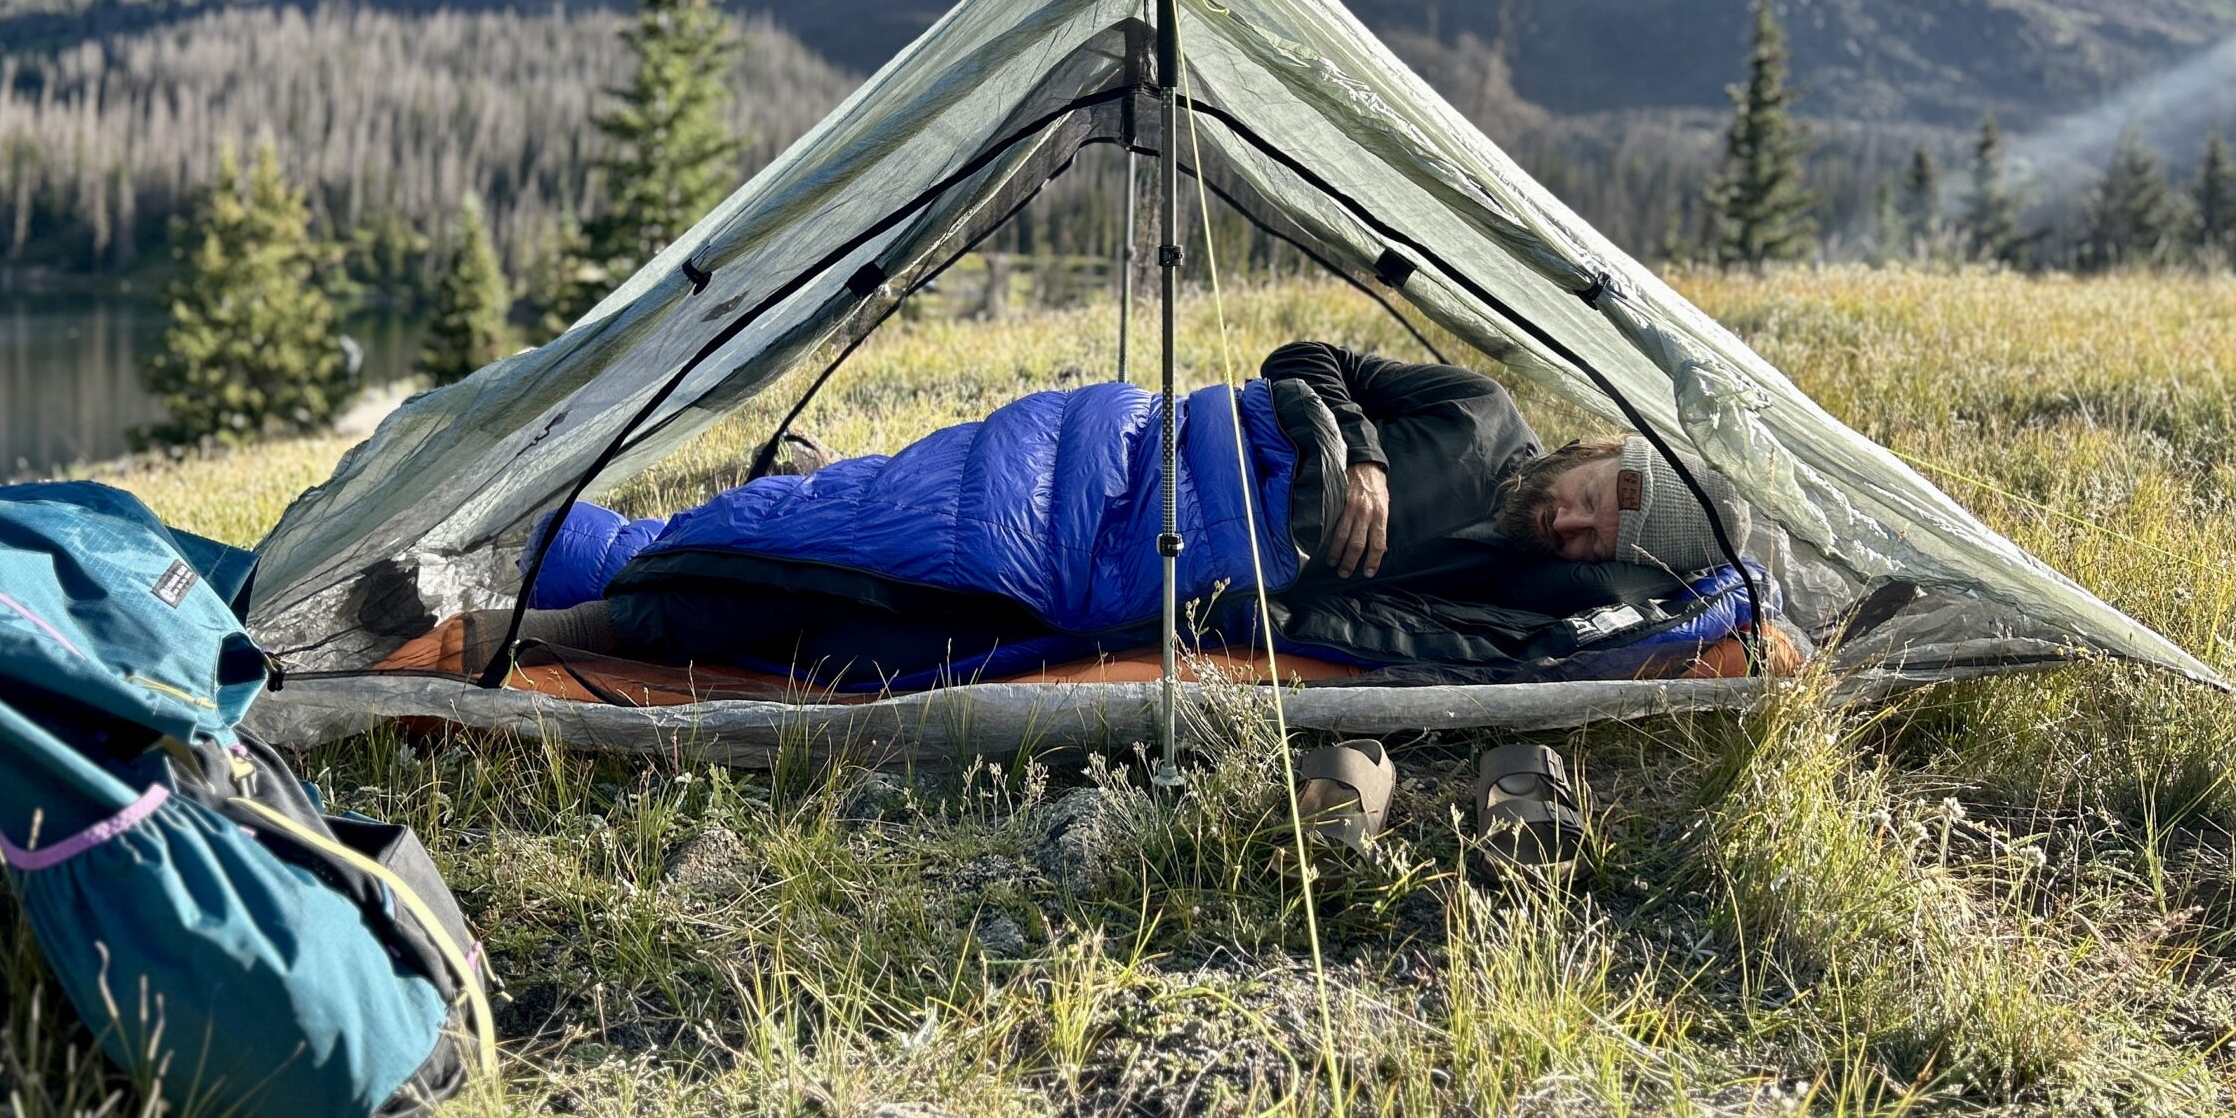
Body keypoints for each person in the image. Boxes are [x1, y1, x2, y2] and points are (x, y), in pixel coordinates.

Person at [466, 341, 1750, 679]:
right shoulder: (1477, 414)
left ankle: (595, 607)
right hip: (1139, 455)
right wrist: (1354, 449)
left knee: (889, 623)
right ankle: (549, 550)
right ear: (1597, 448)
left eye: (1606, 537)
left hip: (1146, 569)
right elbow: (1304, 358)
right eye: (1603, 492)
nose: (1579, 524)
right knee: (876, 529)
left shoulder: (1522, 583)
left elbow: (1632, 618)